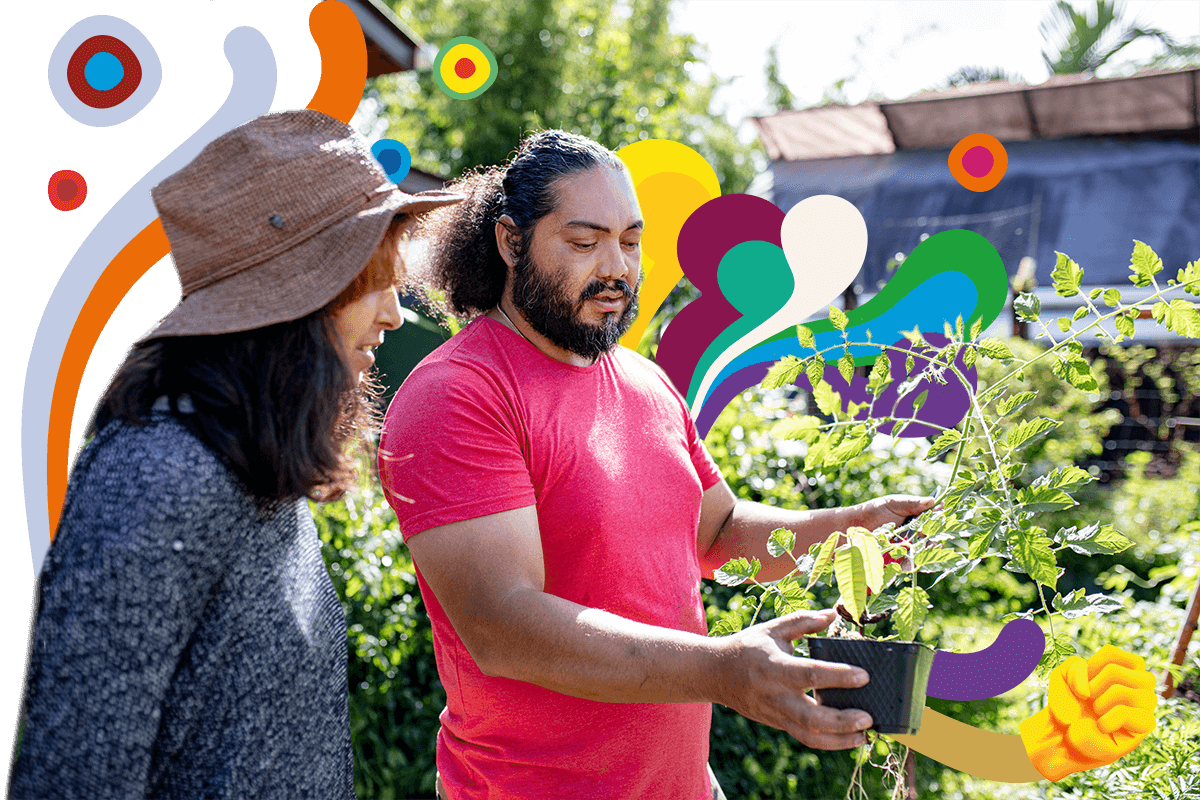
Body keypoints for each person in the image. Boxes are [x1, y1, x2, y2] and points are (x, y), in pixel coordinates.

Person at [379, 129, 934, 800]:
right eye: (585, 243)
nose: (616, 266)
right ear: (510, 242)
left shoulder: (645, 381)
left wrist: (850, 531)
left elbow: (717, 532)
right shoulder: (458, 395)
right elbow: (504, 626)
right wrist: (724, 669)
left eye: (630, 241)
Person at [11, 109, 462, 799]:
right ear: (296, 292)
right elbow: (74, 777)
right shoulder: (159, 477)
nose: (395, 315)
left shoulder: (255, 466)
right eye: (372, 275)